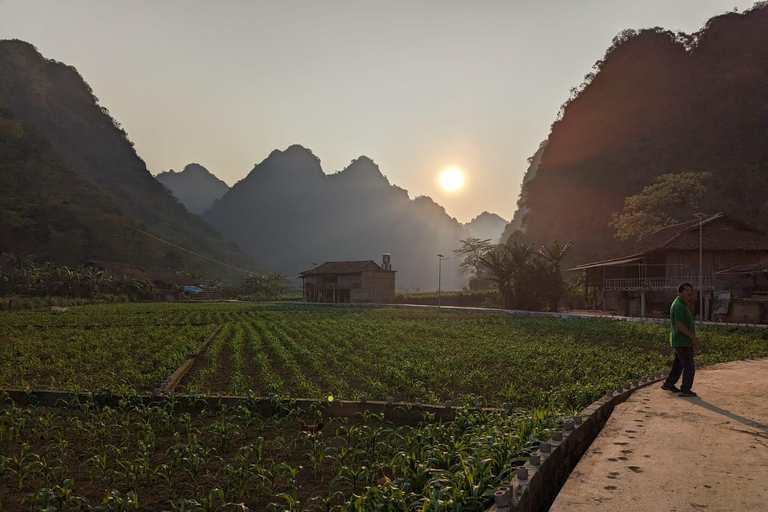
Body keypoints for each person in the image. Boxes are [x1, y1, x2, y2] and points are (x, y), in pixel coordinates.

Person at [661, 282, 701, 397]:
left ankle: (668, 384)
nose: (689, 293)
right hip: (682, 341)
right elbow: (679, 324)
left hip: (681, 340)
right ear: (679, 293)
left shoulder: (684, 304)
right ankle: (686, 389)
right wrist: (692, 337)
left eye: (691, 290)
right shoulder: (678, 305)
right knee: (689, 366)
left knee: (678, 364)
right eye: (686, 290)